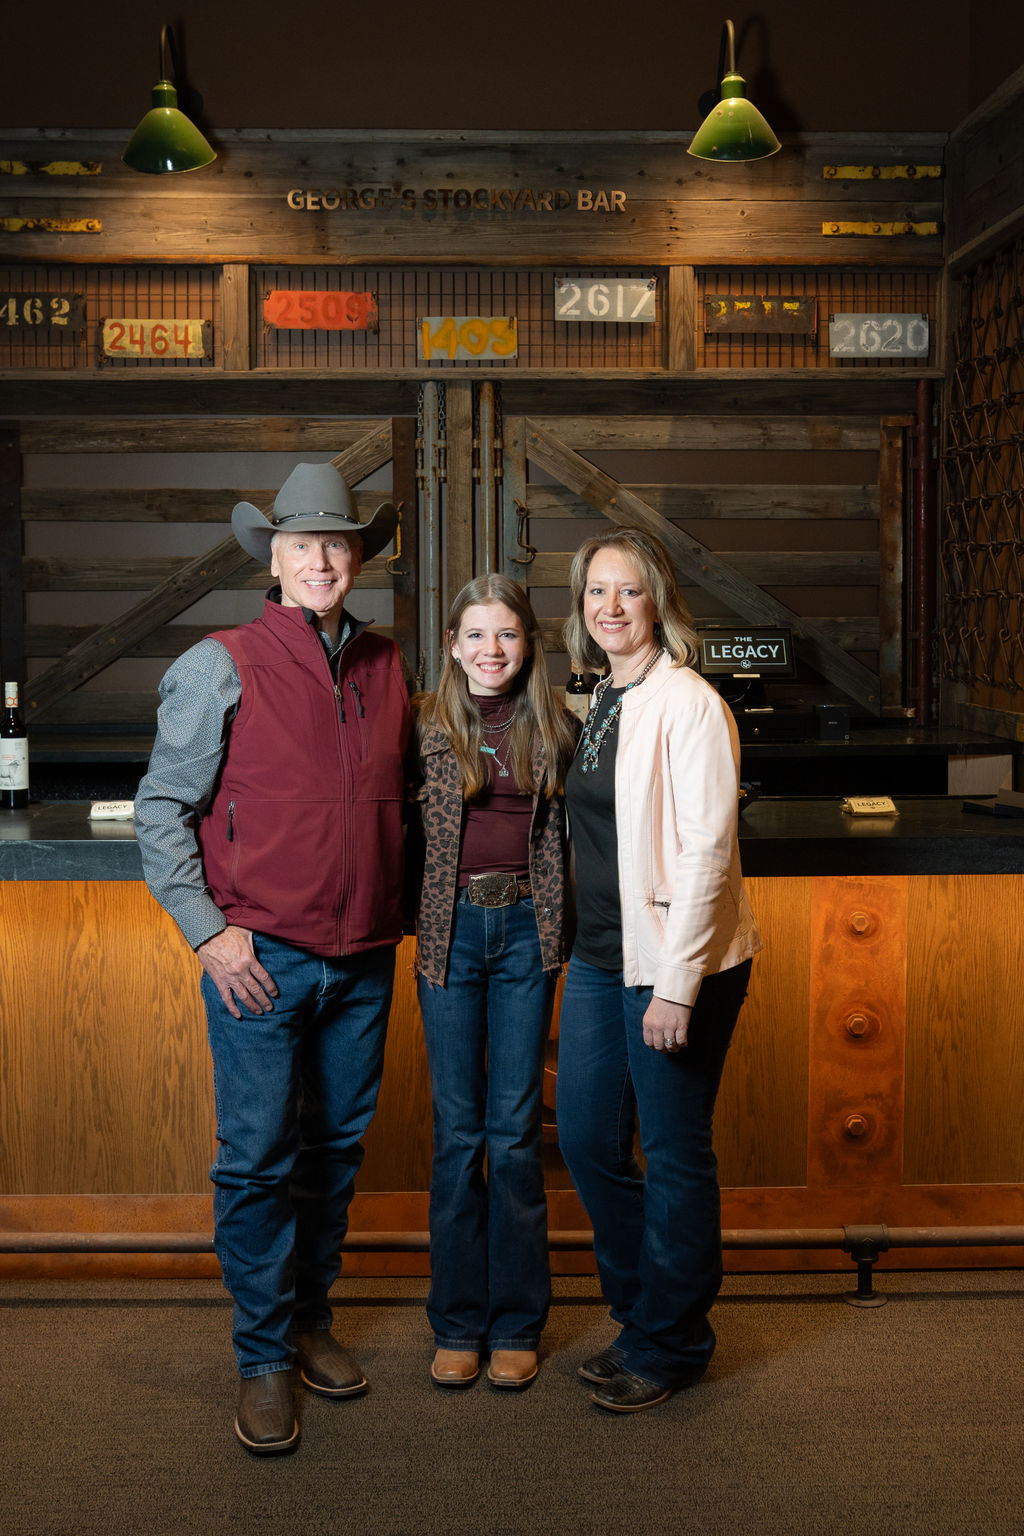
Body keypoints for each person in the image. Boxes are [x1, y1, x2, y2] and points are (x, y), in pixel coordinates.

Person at [134, 461, 410, 1454]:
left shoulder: (388, 666)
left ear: (356, 559)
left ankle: (308, 1323)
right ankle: (260, 1357)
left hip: (363, 958)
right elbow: (162, 810)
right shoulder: (222, 662)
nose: (321, 560)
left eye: (338, 543)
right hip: (261, 960)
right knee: (257, 1161)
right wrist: (209, 932)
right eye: (303, 544)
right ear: (275, 558)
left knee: (333, 1155)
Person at [556, 526, 762, 1413]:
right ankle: (645, 1317)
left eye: (628, 590)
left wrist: (677, 984)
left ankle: (671, 1344)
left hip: (675, 964)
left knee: (674, 1154)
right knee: (585, 1142)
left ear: (658, 601)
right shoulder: (603, 696)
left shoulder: (689, 702)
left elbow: (709, 850)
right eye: (596, 591)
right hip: (602, 956)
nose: (611, 607)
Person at [410, 574, 578, 1391]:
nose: (491, 649)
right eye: (475, 634)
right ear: (452, 646)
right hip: (448, 934)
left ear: (527, 644)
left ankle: (515, 1322)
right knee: (457, 1134)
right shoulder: (420, 727)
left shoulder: (559, 725)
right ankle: (456, 1322)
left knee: (513, 1136)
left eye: (506, 633)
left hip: (527, 932)